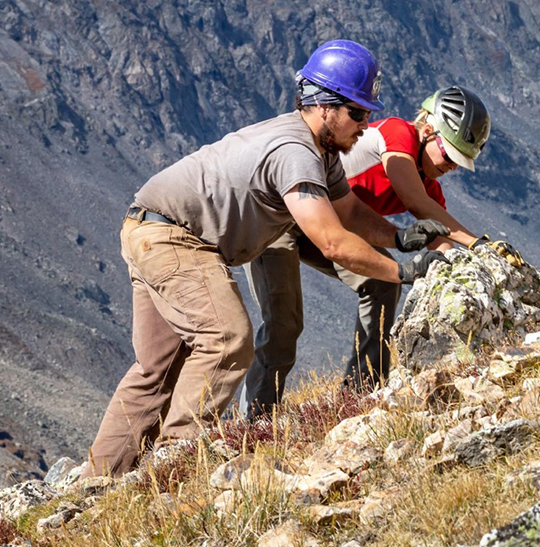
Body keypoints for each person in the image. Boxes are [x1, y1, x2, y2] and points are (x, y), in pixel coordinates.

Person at [83, 40, 448, 477]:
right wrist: (403, 272)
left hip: (150, 228)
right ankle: (170, 469)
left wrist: (402, 237)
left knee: (157, 370)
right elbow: (331, 240)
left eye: (368, 112)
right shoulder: (295, 152)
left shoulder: (322, 151)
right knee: (226, 338)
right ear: (324, 106)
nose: (365, 124)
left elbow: (348, 211)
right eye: (357, 112)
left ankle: (95, 483)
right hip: (173, 238)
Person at [243, 85, 522, 410]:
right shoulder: (397, 133)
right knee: (284, 320)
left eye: (461, 162)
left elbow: (442, 240)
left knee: (383, 282)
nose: (453, 168)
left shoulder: (430, 187)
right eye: (450, 156)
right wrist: (479, 244)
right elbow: (416, 204)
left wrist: (476, 270)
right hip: (280, 216)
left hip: (327, 227)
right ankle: (256, 419)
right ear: (429, 131)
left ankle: (360, 394)